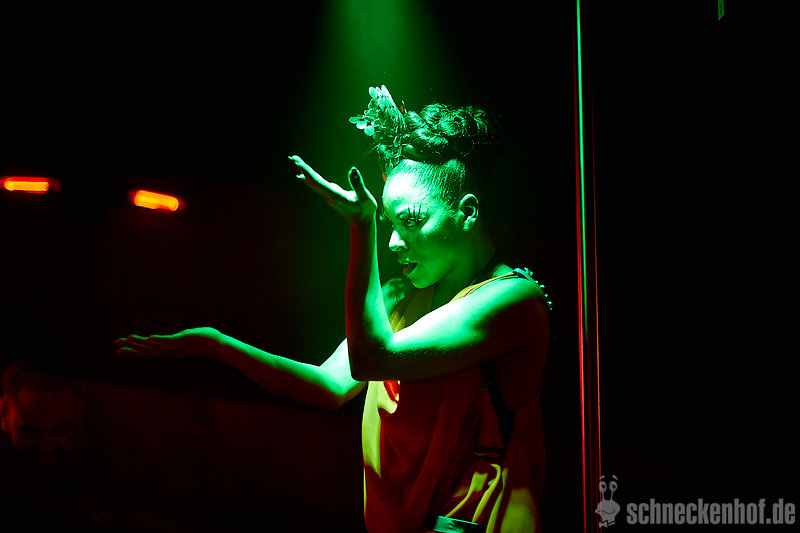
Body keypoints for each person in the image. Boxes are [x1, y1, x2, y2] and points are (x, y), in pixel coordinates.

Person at [115, 85, 551, 533]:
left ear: (467, 211)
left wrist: (361, 227)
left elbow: (372, 358)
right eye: (387, 223)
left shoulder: (514, 300)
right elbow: (329, 386)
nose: (394, 242)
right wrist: (216, 344)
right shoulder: (401, 297)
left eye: (412, 220)